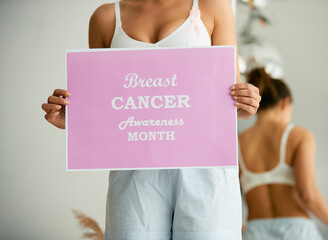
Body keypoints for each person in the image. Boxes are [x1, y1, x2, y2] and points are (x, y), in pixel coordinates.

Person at [41, 0, 261, 239]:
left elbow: (231, 95)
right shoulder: (104, 18)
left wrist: (246, 102)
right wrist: (75, 119)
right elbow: (105, 105)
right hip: (134, 174)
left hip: (205, 170)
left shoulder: (213, 6)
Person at [238, 67, 328, 240]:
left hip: (254, 232)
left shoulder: (237, 142)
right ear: (285, 103)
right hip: (297, 232)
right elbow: (308, 193)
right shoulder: (299, 135)